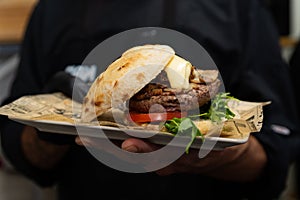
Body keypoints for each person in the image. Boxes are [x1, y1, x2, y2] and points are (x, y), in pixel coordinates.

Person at [0, 0, 299, 199]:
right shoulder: (53, 10)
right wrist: (55, 129)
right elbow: (21, 152)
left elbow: (275, 158)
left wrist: (223, 155)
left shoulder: (239, 8)